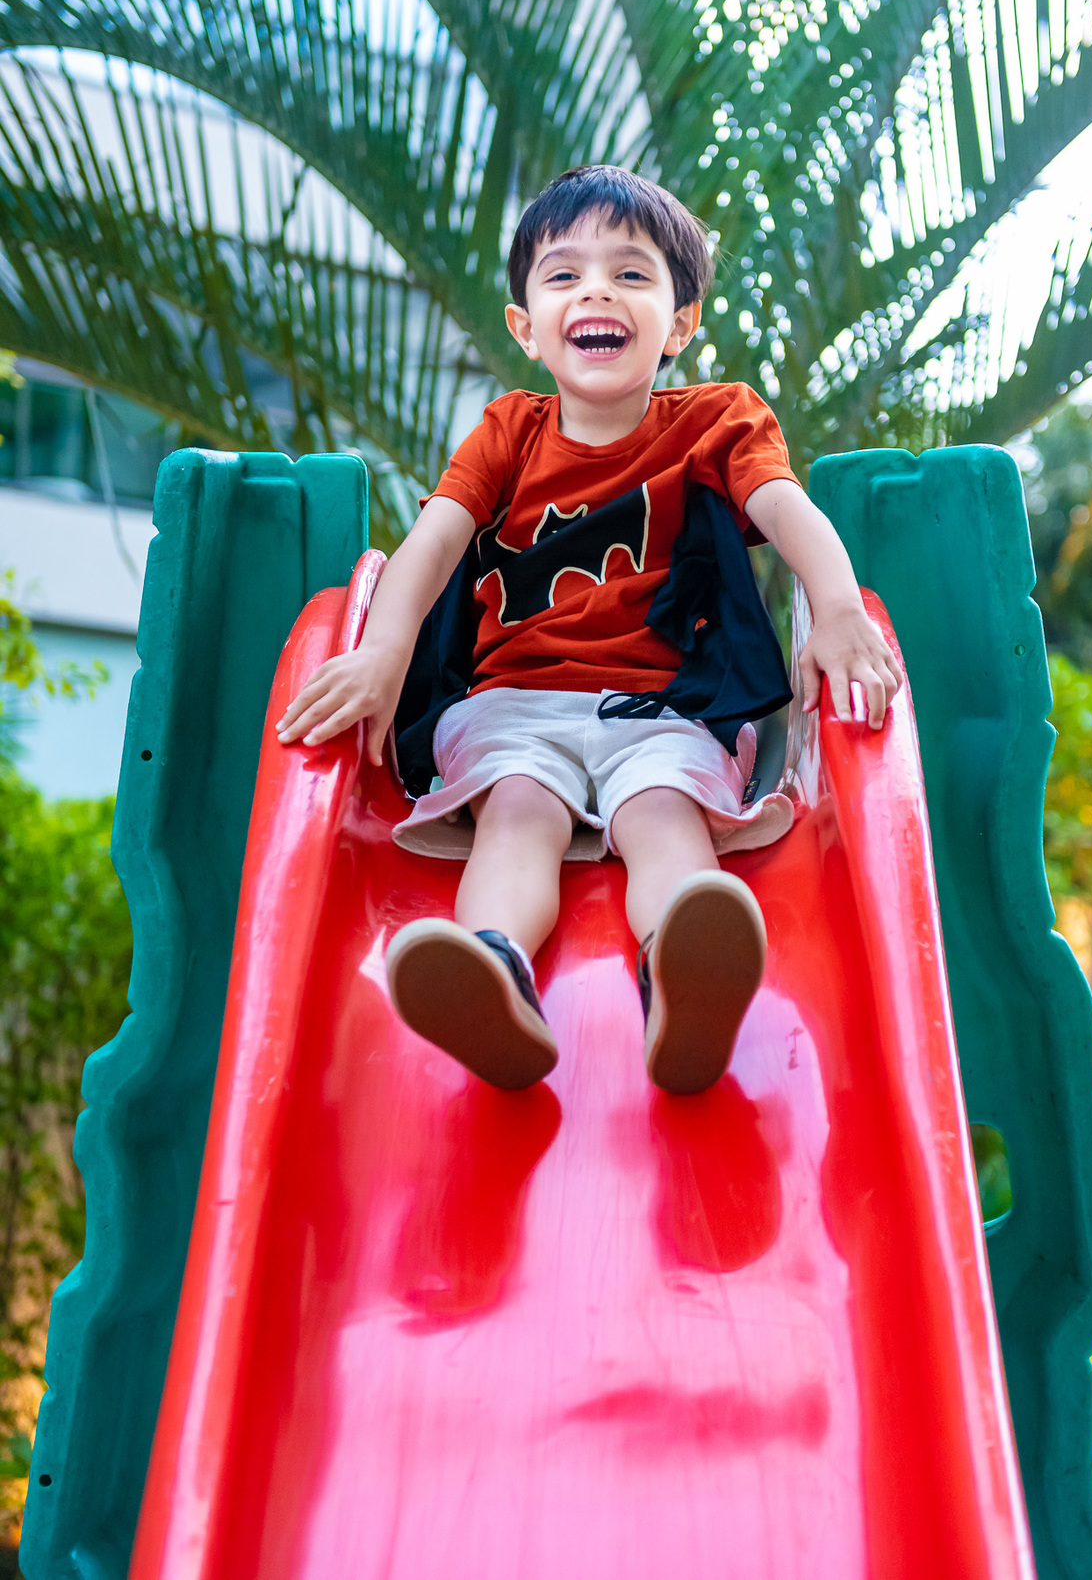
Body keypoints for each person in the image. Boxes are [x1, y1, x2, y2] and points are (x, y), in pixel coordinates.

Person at [276, 167, 901, 1095]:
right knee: (518, 813)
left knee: (663, 815)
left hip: (665, 710)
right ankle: (493, 969)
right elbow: (433, 544)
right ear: (526, 327)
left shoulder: (715, 421)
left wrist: (839, 607)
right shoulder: (507, 433)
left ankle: (683, 973)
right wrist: (380, 655)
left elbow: (784, 507)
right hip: (510, 708)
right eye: (563, 275)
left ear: (681, 323)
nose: (597, 290)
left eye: (632, 274)